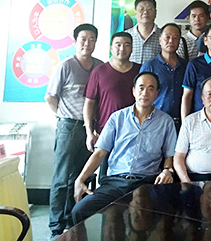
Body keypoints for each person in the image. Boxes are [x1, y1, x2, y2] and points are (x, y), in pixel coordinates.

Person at [72, 71, 177, 224]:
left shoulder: (166, 122)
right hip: (115, 182)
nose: (145, 93)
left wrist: (167, 170)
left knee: (167, 214)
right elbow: (100, 152)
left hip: (146, 183)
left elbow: (169, 155)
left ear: (157, 93)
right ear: (133, 91)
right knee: (79, 211)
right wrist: (80, 179)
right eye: (141, 88)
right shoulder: (117, 118)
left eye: (151, 89)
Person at [44, 23, 103, 238]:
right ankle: (56, 227)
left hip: (90, 130)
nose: (87, 43)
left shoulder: (99, 66)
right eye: (83, 39)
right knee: (61, 178)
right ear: (75, 41)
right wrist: (64, 116)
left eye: (91, 39)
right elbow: (50, 97)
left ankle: (72, 221)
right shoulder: (66, 66)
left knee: (80, 176)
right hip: (68, 127)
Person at [83, 32, 140, 152]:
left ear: (132, 48)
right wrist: (89, 133)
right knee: (102, 164)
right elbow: (89, 103)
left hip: (134, 133)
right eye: (118, 45)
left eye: (127, 45)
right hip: (105, 132)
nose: (122, 49)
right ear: (111, 48)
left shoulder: (140, 71)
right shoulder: (99, 71)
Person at [140, 23, 188, 131]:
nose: (171, 41)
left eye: (175, 38)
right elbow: (141, 95)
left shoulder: (186, 66)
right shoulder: (149, 66)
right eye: (167, 37)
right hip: (155, 123)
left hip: (181, 123)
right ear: (160, 40)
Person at [125, 0, 161, 64]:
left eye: (149, 9)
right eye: (141, 9)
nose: (145, 12)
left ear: (155, 13)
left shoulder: (164, 37)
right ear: (135, 13)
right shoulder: (126, 36)